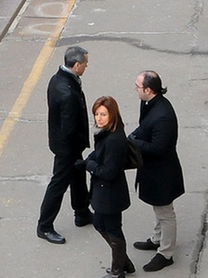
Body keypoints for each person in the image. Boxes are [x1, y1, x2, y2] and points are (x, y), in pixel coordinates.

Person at [129, 71, 185, 272]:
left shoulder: (162, 116)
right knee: (158, 208)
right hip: (153, 170)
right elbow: (145, 129)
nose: (135, 89)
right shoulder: (149, 104)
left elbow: (158, 148)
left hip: (162, 172)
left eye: (137, 86)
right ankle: (157, 238)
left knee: (165, 212)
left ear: (148, 90)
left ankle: (166, 253)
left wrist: (135, 142)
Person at [38, 45, 93, 244]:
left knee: (78, 178)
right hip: (68, 148)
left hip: (64, 143)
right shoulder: (68, 93)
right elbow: (70, 127)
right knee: (59, 184)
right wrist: (79, 145)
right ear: (77, 65)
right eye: (85, 63)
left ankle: (82, 212)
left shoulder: (58, 79)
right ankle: (44, 226)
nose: (87, 66)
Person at [86, 95, 134, 278]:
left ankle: (117, 271)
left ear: (112, 115)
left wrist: (90, 166)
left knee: (113, 229)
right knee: (99, 224)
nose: (98, 118)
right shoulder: (105, 133)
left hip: (110, 195)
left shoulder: (114, 140)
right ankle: (124, 262)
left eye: (103, 114)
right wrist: (91, 159)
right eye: (97, 114)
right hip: (104, 192)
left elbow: (110, 172)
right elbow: (101, 155)